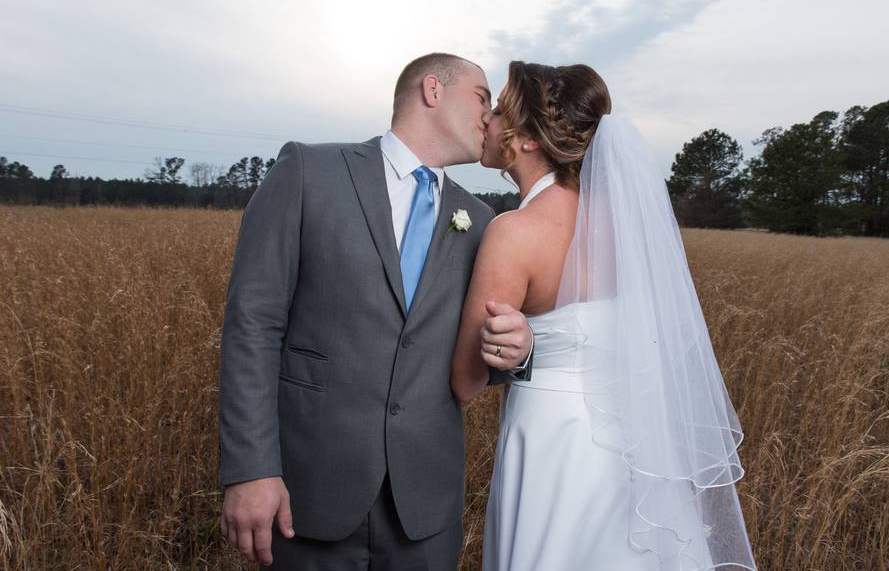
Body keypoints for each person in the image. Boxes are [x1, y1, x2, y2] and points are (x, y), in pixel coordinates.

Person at [218, 53, 534, 570]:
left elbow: (471, 359)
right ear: (433, 89)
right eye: (482, 97)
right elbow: (253, 325)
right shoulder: (308, 171)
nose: (491, 115)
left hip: (425, 509)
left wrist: (515, 352)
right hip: (308, 493)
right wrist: (250, 470)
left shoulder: (480, 221)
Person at [451, 61, 756, 570]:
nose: (489, 120)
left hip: (554, 442)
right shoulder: (620, 226)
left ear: (528, 141)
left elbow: (465, 380)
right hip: (630, 443)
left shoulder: (514, 232)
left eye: (502, 111)